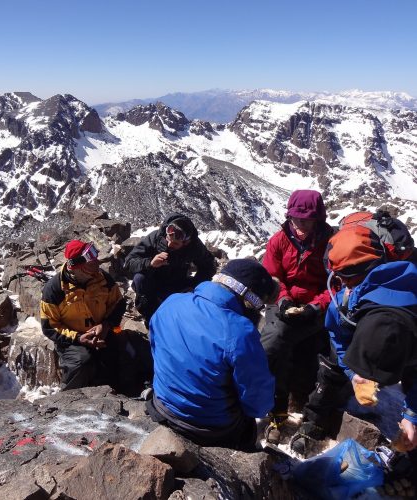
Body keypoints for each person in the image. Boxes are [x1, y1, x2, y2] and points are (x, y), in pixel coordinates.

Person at [290, 224, 417, 454]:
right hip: (365, 331)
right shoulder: (346, 303)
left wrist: (412, 416)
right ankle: (314, 421)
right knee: (329, 370)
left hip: (408, 345)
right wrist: (353, 372)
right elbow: (337, 337)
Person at [147, 259, 279, 450]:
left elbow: (155, 346)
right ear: (249, 302)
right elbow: (258, 404)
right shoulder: (240, 332)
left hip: (163, 406)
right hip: (207, 428)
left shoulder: (172, 302)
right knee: (247, 423)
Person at [260, 189, 333, 443]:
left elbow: (335, 283)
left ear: (318, 219)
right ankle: (275, 408)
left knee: (286, 341)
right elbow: (273, 277)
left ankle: (292, 410)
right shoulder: (279, 240)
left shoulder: (330, 243)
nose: (301, 226)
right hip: (284, 303)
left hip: (317, 307)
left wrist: (316, 306)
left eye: (307, 220)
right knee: (275, 340)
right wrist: (282, 299)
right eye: (296, 220)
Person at [40, 240, 126, 391]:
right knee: (81, 361)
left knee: (117, 352)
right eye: (91, 262)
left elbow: (118, 303)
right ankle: (69, 398)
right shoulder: (55, 289)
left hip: (101, 331)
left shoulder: (103, 279)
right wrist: (78, 338)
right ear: (76, 267)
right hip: (71, 339)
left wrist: (106, 325)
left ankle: (114, 391)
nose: (97, 264)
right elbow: (50, 326)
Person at [124, 213, 216, 323]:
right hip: (152, 283)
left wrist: (194, 285)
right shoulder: (156, 238)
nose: (169, 244)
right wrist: (150, 263)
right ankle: (149, 316)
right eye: (168, 239)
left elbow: (209, 265)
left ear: (186, 242)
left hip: (176, 284)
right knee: (140, 278)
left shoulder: (193, 247)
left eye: (176, 244)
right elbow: (129, 261)